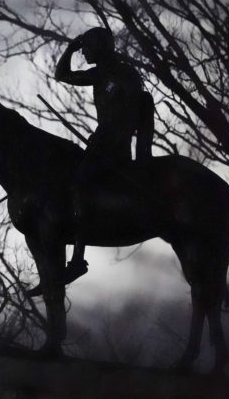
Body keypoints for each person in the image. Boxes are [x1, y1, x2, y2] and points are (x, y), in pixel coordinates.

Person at [55, 27, 154, 286]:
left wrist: (106, 142)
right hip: (103, 143)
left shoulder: (123, 75)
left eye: (87, 47)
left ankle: (77, 260)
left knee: (78, 183)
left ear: (99, 47)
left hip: (112, 147)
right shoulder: (103, 73)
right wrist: (71, 47)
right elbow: (61, 74)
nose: (84, 51)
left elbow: (129, 116)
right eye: (83, 47)